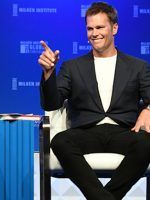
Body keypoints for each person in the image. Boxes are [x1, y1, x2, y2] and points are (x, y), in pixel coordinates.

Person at [39, 2, 150, 200]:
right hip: (86, 133)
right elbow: (51, 104)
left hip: (123, 132)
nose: (94, 33)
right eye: (90, 28)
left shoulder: (138, 67)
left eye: (100, 27)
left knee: (147, 142)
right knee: (60, 141)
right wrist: (49, 74)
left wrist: (148, 108)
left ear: (114, 28)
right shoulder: (72, 67)